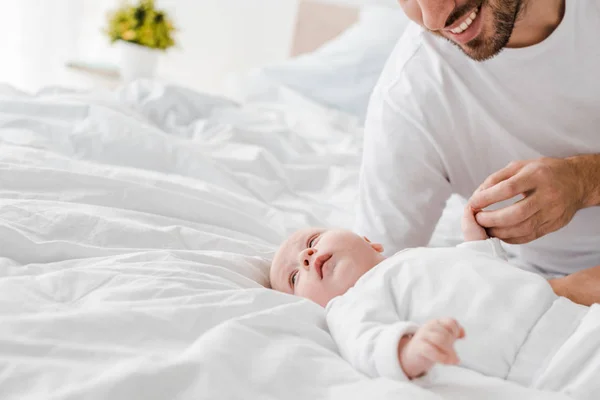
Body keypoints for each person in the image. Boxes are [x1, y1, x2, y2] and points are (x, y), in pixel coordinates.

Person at [355, 0, 600, 300]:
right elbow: (372, 278)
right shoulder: (412, 95)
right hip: (556, 286)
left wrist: (583, 181)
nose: (433, 20)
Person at [269, 209, 600, 398]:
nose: (306, 257)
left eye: (312, 242)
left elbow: (479, 272)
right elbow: (366, 345)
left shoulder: (414, 256)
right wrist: (409, 351)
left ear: (368, 241)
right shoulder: (349, 305)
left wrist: (478, 243)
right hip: (551, 367)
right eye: (295, 278)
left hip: (577, 317)